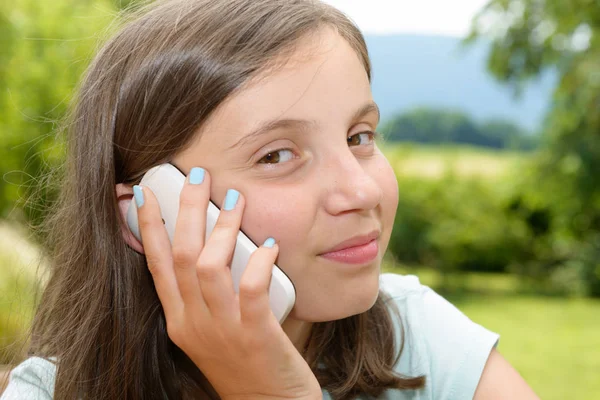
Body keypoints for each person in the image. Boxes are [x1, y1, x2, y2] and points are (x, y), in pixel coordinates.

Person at [1, 0, 540, 399]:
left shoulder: (415, 338)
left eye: (359, 138)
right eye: (277, 156)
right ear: (147, 216)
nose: (363, 190)